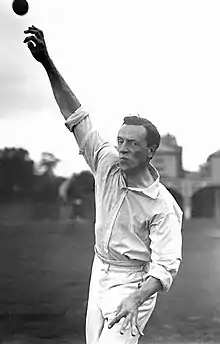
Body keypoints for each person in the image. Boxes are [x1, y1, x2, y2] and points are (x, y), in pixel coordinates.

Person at [23, 25, 183, 344]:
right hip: (100, 269)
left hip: (134, 281)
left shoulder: (163, 206)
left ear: (152, 152)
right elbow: (76, 115)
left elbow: (166, 267)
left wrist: (135, 298)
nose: (122, 149)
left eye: (132, 144)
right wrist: (46, 62)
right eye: (120, 141)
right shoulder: (107, 162)